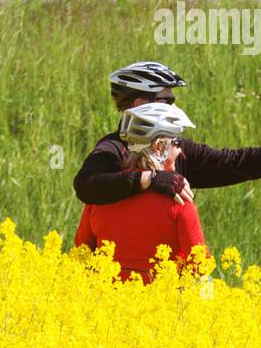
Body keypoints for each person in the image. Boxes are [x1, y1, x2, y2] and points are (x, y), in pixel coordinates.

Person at [73, 61, 261, 207]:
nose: (174, 107)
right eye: (166, 100)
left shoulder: (176, 149)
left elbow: (233, 163)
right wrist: (148, 180)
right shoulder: (113, 148)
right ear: (140, 105)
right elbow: (86, 185)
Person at [74, 102, 207, 282]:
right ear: (159, 146)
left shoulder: (102, 194)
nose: (180, 149)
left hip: (105, 303)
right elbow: (199, 266)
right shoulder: (179, 199)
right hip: (162, 303)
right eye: (176, 142)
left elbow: (82, 251)